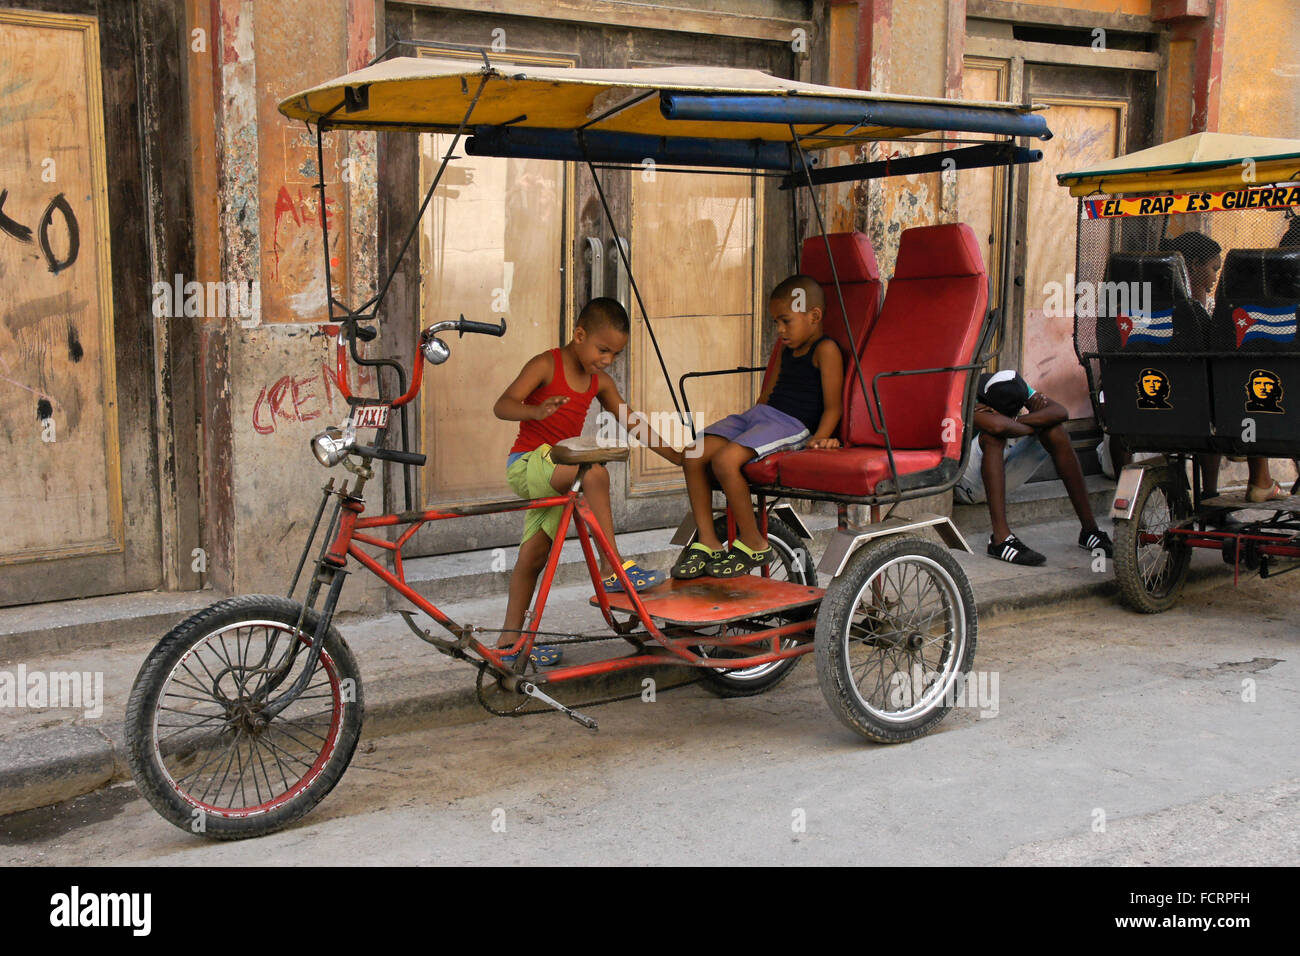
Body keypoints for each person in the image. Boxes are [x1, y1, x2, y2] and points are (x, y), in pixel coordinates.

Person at [494, 297, 682, 665]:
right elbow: (502, 405)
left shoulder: (600, 381)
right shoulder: (546, 364)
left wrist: (677, 456)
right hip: (529, 463)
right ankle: (612, 568)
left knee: (533, 556)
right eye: (603, 350)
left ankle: (508, 644)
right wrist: (536, 410)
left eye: (615, 354)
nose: (607, 360)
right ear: (579, 335)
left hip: (558, 471)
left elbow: (631, 421)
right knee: (593, 471)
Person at [672, 275, 843, 578]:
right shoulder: (786, 347)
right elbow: (767, 393)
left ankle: (753, 541)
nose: (780, 330)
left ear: (814, 317)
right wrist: (745, 422)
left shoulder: (825, 349)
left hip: (792, 424)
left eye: (786, 321)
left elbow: (833, 407)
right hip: (762, 415)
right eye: (776, 322)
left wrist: (821, 438)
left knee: (726, 461)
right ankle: (708, 541)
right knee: (693, 453)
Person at [1160, 230, 1285, 502]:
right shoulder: (1195, 314)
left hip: (1162, 404)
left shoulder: (1151, 308)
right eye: (1214, 269)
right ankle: (1244, 482)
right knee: (1253, 392)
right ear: (1193, 265)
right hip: (1209, 406)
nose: (1216, 277)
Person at [954, 369, 1113, 566]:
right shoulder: (967, 394)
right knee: (992, 437)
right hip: (965, 484)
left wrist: (1013, 422)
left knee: (1056, 431)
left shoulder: (1013, 383)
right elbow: (997, 427)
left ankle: (1090, 531)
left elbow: (1060, 412)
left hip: (997, 472)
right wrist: (1036, 420)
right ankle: (1000, 540)